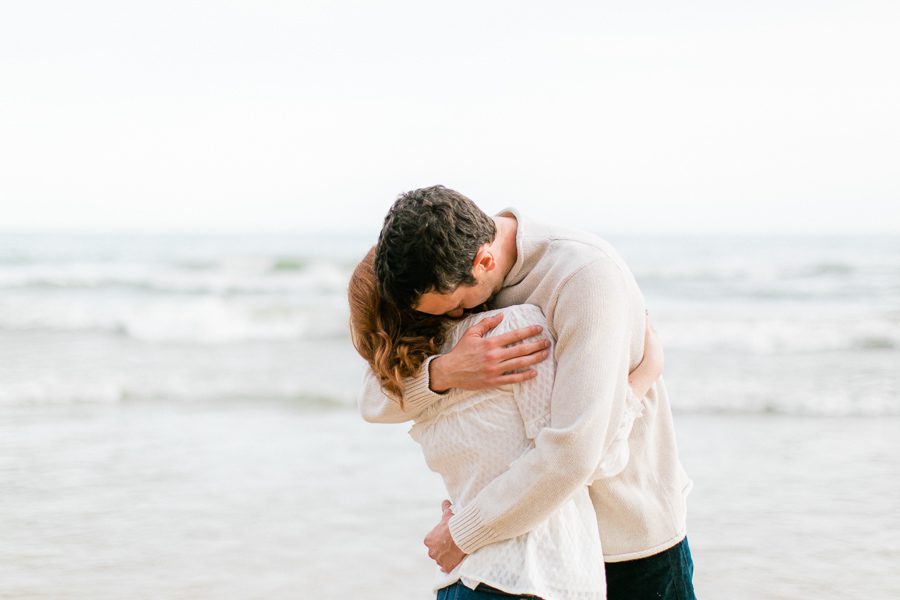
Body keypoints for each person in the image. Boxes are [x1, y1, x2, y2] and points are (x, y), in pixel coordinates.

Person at [359, 186, 696, 600]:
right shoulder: (436, 265)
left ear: (484, 261)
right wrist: (446, 371)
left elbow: (575, 452)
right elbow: (375, 396)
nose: (455, 320)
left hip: (625, 540)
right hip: (531, 549)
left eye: (457, 308)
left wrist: (463, 534)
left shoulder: (584, 277)